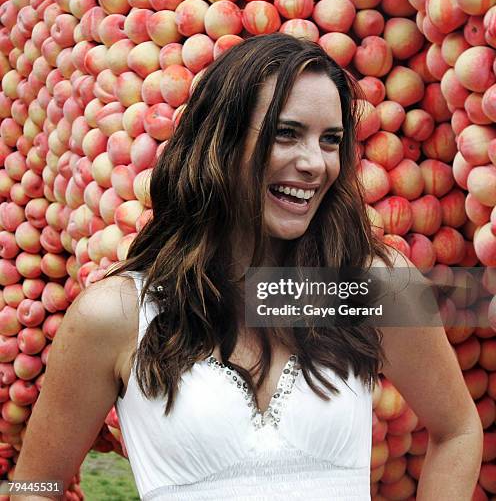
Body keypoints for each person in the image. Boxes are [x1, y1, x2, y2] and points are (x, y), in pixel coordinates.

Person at [14, 33, 482, 500]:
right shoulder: (117, 315)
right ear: (221, 139)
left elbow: (458, 428)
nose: (315, 163)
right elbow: (35, 485)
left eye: (331, 141)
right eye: (287, 133)